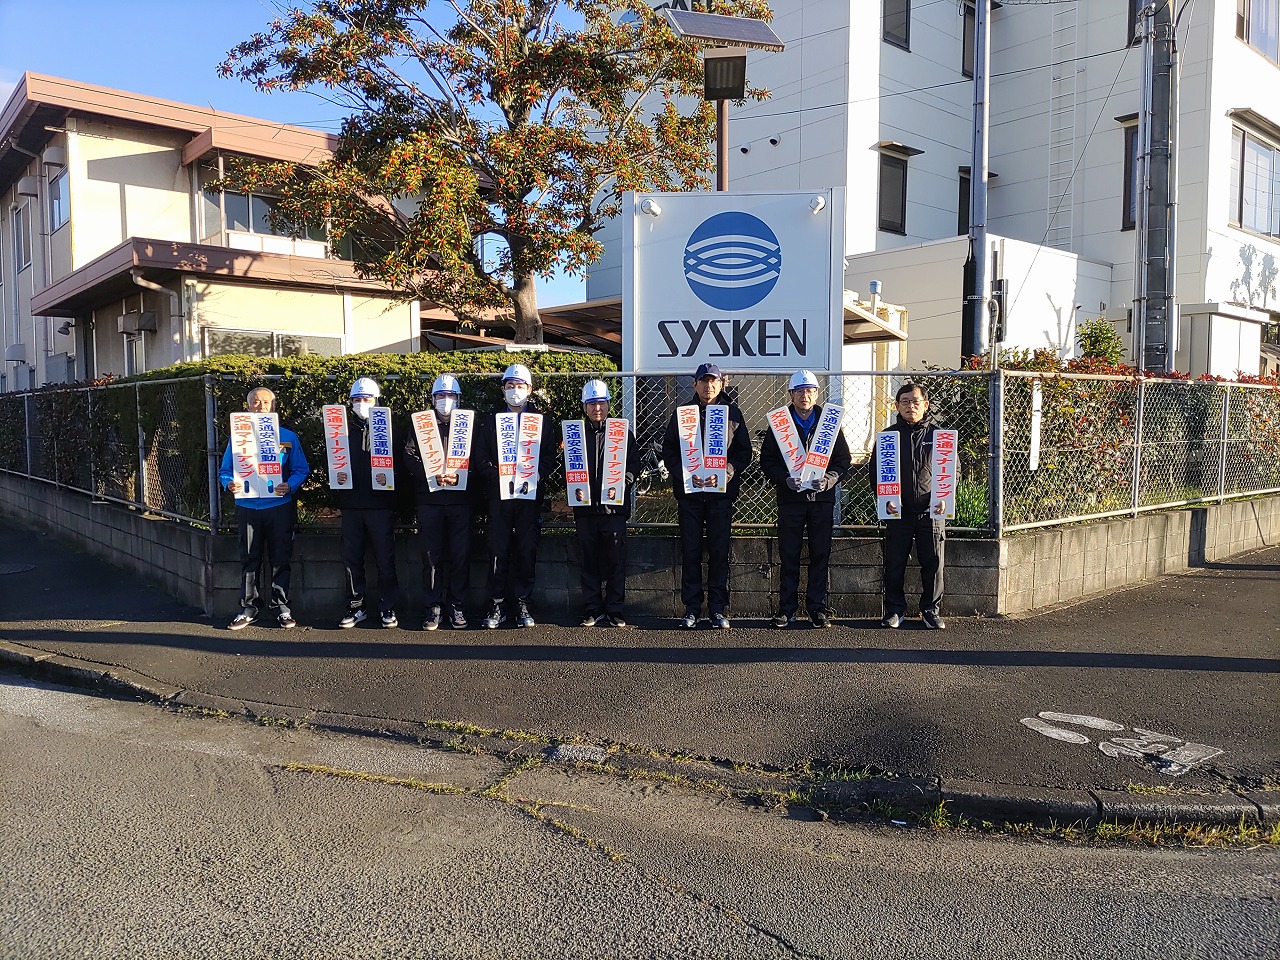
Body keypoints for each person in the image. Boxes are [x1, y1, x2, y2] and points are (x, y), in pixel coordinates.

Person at [661, 362, 753, 629]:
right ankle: (691, 608)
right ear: (695, 384)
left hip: (720, 496)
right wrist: (684, 474)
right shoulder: (682, 414)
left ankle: (717, 609)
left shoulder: (733, 414)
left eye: (713, 381)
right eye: (703, 381)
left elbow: (744, 452)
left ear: (721, 384)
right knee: (690, 552)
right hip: (690, 496)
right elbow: (669, 451)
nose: (708, 386)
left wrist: (727, 471)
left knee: (718, 552)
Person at [759, 370, 852, 628]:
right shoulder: (780, 423)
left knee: (820, 554)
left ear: (817, 393)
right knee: (788, 554)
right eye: (799, 391)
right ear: (791, 394)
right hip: (790, 499)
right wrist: (784, 479)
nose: (805, 395)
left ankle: (817, 608)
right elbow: (767, 461)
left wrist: (830, 479)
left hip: (821, 499)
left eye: (810, 390)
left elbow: (843, 460)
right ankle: (786, 609)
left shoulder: (829, 423)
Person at [219, 387, 311, 630]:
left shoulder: (287, 437)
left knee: (281, 557)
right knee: (249, 559)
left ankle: (281, 606)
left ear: (273, 406)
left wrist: (289, 485)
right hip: (247, 506)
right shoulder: (238, 438)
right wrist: (229, 483)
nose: (260, 407)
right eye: (255, 402)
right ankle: (248, 607)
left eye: (266, 402)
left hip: (279, 506)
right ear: (248, 406)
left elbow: (301, 469)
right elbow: (225, 470)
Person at [475, 363, 556, 629]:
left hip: (528, 497)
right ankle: (496, 605)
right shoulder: (491, 421)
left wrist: (536, 476)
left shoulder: (541, 422)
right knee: (497, 550)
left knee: (526, 549)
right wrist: (494, 474)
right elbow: (481, 456)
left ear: (530, 389)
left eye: (520, 386)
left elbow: (548, 457)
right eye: (510, 385)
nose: (515, 390)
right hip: (498, 497)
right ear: (503, 390)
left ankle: (523, 603)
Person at [870, 382, 946, 630]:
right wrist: (885, 498)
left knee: (933, 563)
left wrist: (944, 497)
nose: (910, 406)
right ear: (897, 406)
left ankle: (931, 611)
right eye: (905, 401)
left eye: (915, 401)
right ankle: (894, 610)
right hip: (898, 512)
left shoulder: (939, 437)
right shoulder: (887, 437)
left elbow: (952, 472)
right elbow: (875, 472)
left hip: (931, 512)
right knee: (894, 562)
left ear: (926, 405)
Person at [404, 374, 472, 631]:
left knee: (460, 556)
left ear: (458, 399)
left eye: (450, 395)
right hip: (429, 500)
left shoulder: (468, 425)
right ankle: (433, 607)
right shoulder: (421, 424)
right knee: (431, 557)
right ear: (433, 399)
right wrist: (429, 474)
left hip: (460, 500)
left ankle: (457, 606)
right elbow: (409, 454)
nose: (445, 400)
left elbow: (478, 456)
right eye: (440, 396)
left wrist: (462, 475)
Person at [571, 379, 640, 628]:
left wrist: (623, 482)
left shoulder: (621, 433)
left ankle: (615, 609)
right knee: (588, 560)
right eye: (591, 403)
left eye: (601, 403)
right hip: (585, 509)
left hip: (614, 509)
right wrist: (574, 488)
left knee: (615, 561)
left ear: (609, 404)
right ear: (584, 406)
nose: (597, 408)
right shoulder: (575, 435)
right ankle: (592, 608)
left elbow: (634, 465)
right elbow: (568, 467)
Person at [335, 377, 402, 629]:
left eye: (367, 399)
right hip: (351, 504)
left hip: (381, 504)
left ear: (377, 401)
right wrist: (337, 478)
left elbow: (404, 464)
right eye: (357, 399)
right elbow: (332, 462)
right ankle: (356, 606)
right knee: (351, 560)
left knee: (385, 559)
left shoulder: (390, 429)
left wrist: (391, 476)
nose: (362, 403)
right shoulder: (340, 430)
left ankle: (388, 606)